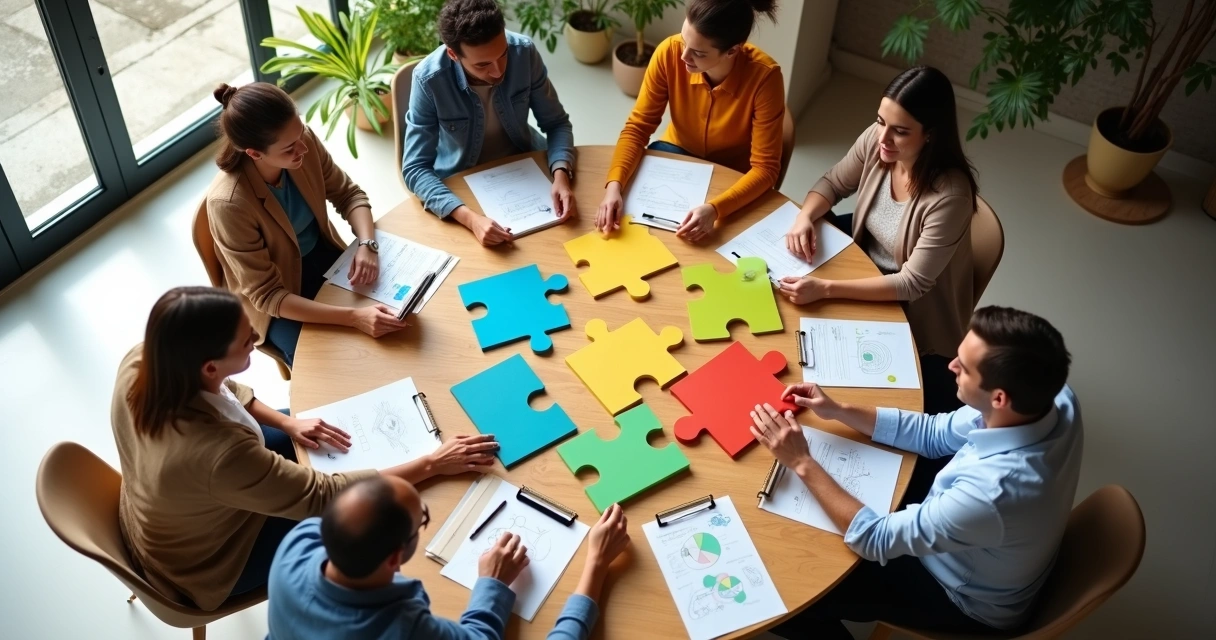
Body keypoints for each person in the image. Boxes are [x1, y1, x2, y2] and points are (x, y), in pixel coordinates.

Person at [111, 287, 499, 610]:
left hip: (167, 510)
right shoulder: (220, 455)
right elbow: (323, 496)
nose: (259, 342)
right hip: (209, 560)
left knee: (312, 426)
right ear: (209, 367)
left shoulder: (146, 359)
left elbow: (228, 392)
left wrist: (286, 422)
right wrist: (432, 463)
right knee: (362, 527)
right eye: (248, 343)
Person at [748, 306, 1082, 638]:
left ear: (999, 398)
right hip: (990, 544)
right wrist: (837, 409)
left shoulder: (992, 493)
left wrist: (802, 461)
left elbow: (872, 538)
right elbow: (934, 434)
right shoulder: (1055, 398)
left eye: (963, 368)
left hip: (958, 596)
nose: (950, 365)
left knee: (791, 591)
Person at [781, 66, 981, 418]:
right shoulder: (879, 141)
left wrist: (826, 288)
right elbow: (833, 183)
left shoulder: (950, 196)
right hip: (863, 258)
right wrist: (804, 218)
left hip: (910, 304)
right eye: (880, 122)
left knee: (833, 372)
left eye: (900, 132)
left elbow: (911, 283)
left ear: (930, 135)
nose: (883, 138)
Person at [267, 476, 631, 639]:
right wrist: (596, 563)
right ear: (396, 558)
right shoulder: (403, 629)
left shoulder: (296, 542)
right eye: (422, 519)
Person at [204, 82, 408, 369]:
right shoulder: (229, 204)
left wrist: (367, 244)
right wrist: (352, 317)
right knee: (332, 368)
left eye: (300, 133)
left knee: (401, 320)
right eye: (289, 148)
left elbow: (349, 194)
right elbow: (268, 295)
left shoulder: (304, 142)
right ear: (254, 153)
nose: (303, 147)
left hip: (321, 258)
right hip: (278, 301)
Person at [595, 0, 785, 243]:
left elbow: (766, 168)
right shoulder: (668, 52)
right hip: (677, 150)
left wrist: (716, 209)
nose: (683, 56)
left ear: (733, 50)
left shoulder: (765, 78)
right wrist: (614, 187)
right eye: (685, 41)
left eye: (698, 52)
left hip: (733, 172)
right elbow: (638, 128)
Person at [403, 0, 576, 246]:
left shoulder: (524, 52)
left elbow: (557, 123)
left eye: (503, 55)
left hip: (525, 164)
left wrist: (561, 175)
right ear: (453, 54)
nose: (497, 71)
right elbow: (415, 168)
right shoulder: (428, 79)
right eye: (482, 64)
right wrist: (470, 219)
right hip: (462, 181)